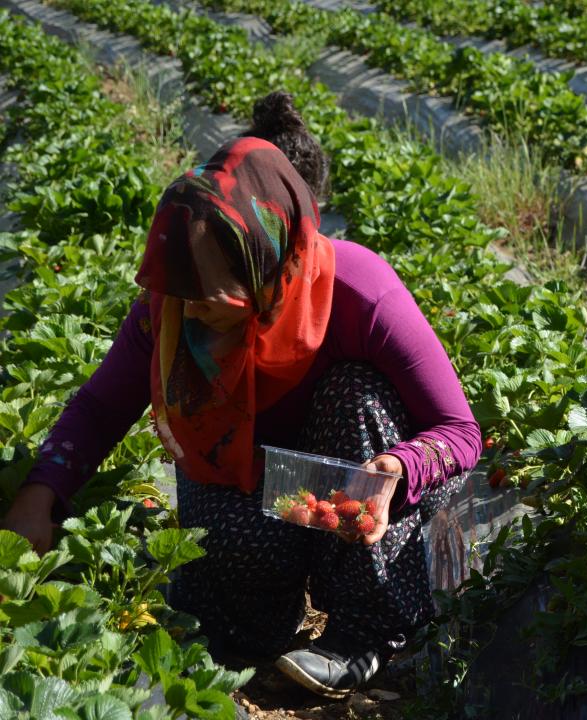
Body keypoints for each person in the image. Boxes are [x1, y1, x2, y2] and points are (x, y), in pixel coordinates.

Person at [0, 93, 481, 699]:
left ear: (269, 263)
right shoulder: (170, 307)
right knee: (233, 633)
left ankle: (365, 635)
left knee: (357, 394)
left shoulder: (360, 293)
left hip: (347, 488)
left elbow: (461, 432)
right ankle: (260, 626)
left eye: (211, 300)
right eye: (182, 297)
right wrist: (39, 495)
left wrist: (397, 470)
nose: (191, 313)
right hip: (244, 478)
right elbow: (100, 407)